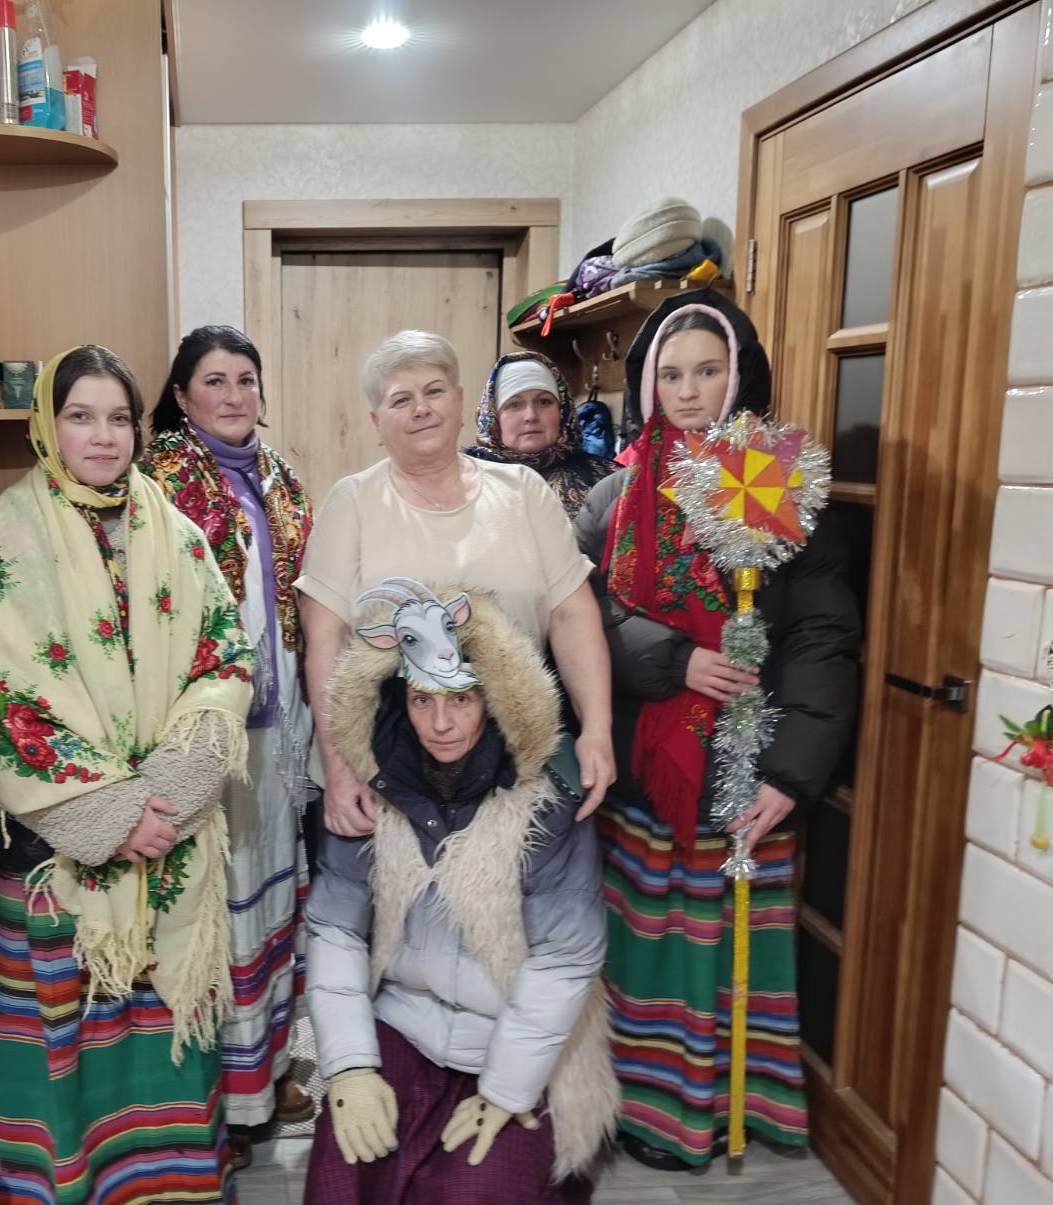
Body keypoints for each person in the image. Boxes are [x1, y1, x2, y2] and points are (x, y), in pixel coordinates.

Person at [0, 345, 255, 1204]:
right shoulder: (0, 541)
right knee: (69, 1057)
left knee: (164, 1042)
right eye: (80, 416)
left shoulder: (178, 532)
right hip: (57, 850)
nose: (102, 435)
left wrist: (168, 800)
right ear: (47, 425)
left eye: (119, 417)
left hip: (170, 835)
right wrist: (111, 816)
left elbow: (225, 660)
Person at [573, 291, 860, 1169]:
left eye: (708, 370)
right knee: (642, 940)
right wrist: (674, 659)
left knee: (722, 946)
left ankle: (712, 1113)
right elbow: (577, 614)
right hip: (642, 759)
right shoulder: (615, 495)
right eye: (671, 374)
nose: (689, 390)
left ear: (740, 377)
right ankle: (632, 1107)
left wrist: (791, 772)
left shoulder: (779, 485)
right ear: (647, 384)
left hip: (743, 757)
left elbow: (821, 636)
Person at [303, 577, 618, 1204]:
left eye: (463, 699)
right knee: (343, 1167)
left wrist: (505, 1090)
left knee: (472, 1188)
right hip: (402, 1022)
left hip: (515, 1035)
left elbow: (565, 960)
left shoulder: (548, 807)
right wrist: (352, 1066)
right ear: (397, 702)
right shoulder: (372, 797)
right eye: (422, 700)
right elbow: (334, 931)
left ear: (496, 699)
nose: (441, 723)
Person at [295, 330, 616, 841]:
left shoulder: (523, 492)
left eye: (434, 390)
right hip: (381, 773)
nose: (421, 408)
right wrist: (339, 767)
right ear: (376, 422)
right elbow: (325, 640)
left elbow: (571, 614)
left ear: (461, 400)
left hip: (514, 766)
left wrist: (596, 729)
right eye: (401, 399)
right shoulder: (351, 502)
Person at [141, 325, 316, 1162]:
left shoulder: (280, 478)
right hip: (203, 728)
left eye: (247, 378)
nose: (235, 394)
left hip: (281, 723)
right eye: (215, 380)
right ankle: (219, 1101)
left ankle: (269, 1068)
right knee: (216, 903)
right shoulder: (157, 481)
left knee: (275, 896)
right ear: (182, 396)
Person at [464, 349, 617, 517]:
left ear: (562, 411)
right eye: (514, 405)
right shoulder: (463, 482)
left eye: (544, 402)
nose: (531, 416)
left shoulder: (607, 483)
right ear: (494, 417)